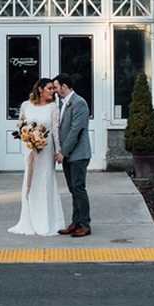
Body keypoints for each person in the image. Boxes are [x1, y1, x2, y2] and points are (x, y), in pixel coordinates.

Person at [8, 77, 65, 236]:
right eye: (49, 88)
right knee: (30, 182)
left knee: (45, 181)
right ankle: (29, 221)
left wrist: (58, 151)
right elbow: (21, 126)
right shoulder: (26, 105)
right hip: (31, 150)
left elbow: (55, 131)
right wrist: (28, 137)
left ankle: (47, 220)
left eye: (53, 89)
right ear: (40, 89)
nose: (53, 92)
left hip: (46, 151)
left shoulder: (53, 107)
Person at [53, 72, 91, 237]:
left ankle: (85, 224)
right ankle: (75, 223)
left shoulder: (79, 103)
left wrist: (63, 152)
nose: (54, 90)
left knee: (79, 189)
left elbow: (76, 130)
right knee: (73, 190)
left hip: (78, 154)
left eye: (55, 87)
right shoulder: (63, 104)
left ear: (64, 86)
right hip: (69, 155)